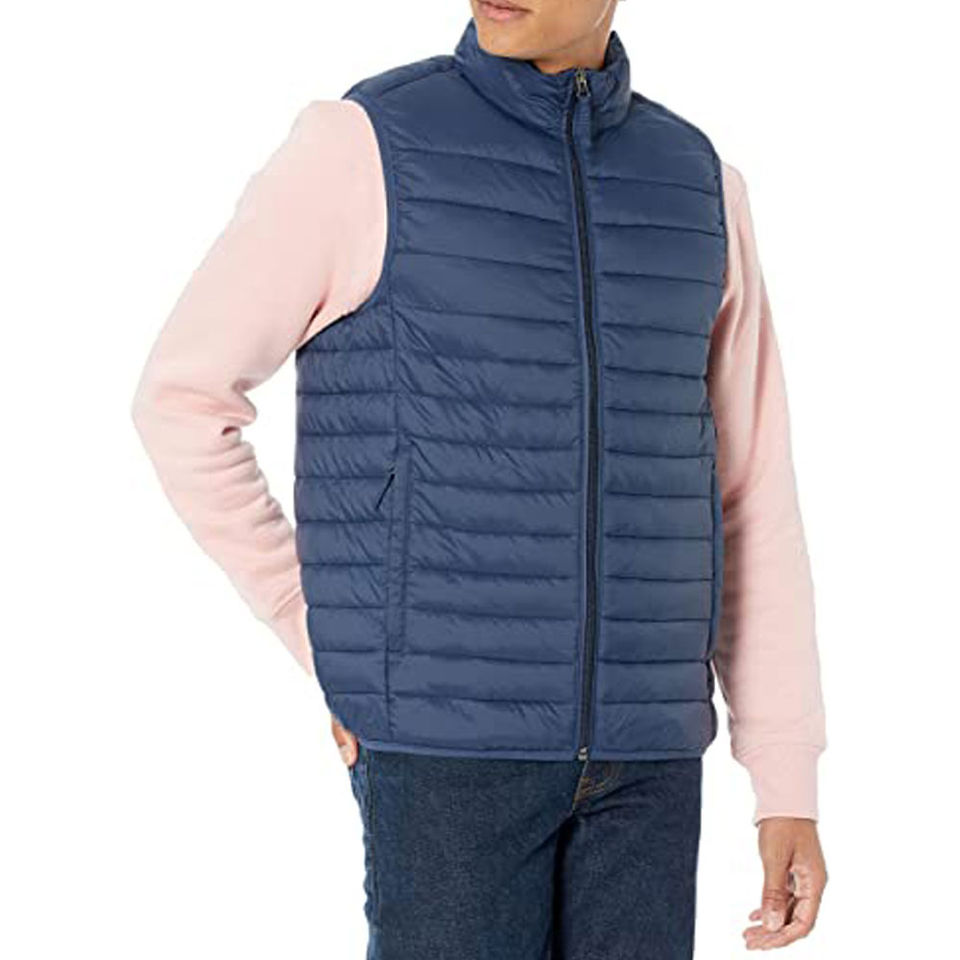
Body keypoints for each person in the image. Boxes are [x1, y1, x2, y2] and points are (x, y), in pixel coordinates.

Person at [131, 1, 827, 956]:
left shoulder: (697, 182)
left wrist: (786, 779)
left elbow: (749, 492)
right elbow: (181, 399)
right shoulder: (364, 147)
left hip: (649, 760)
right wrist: (326, 635)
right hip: (446, 758)